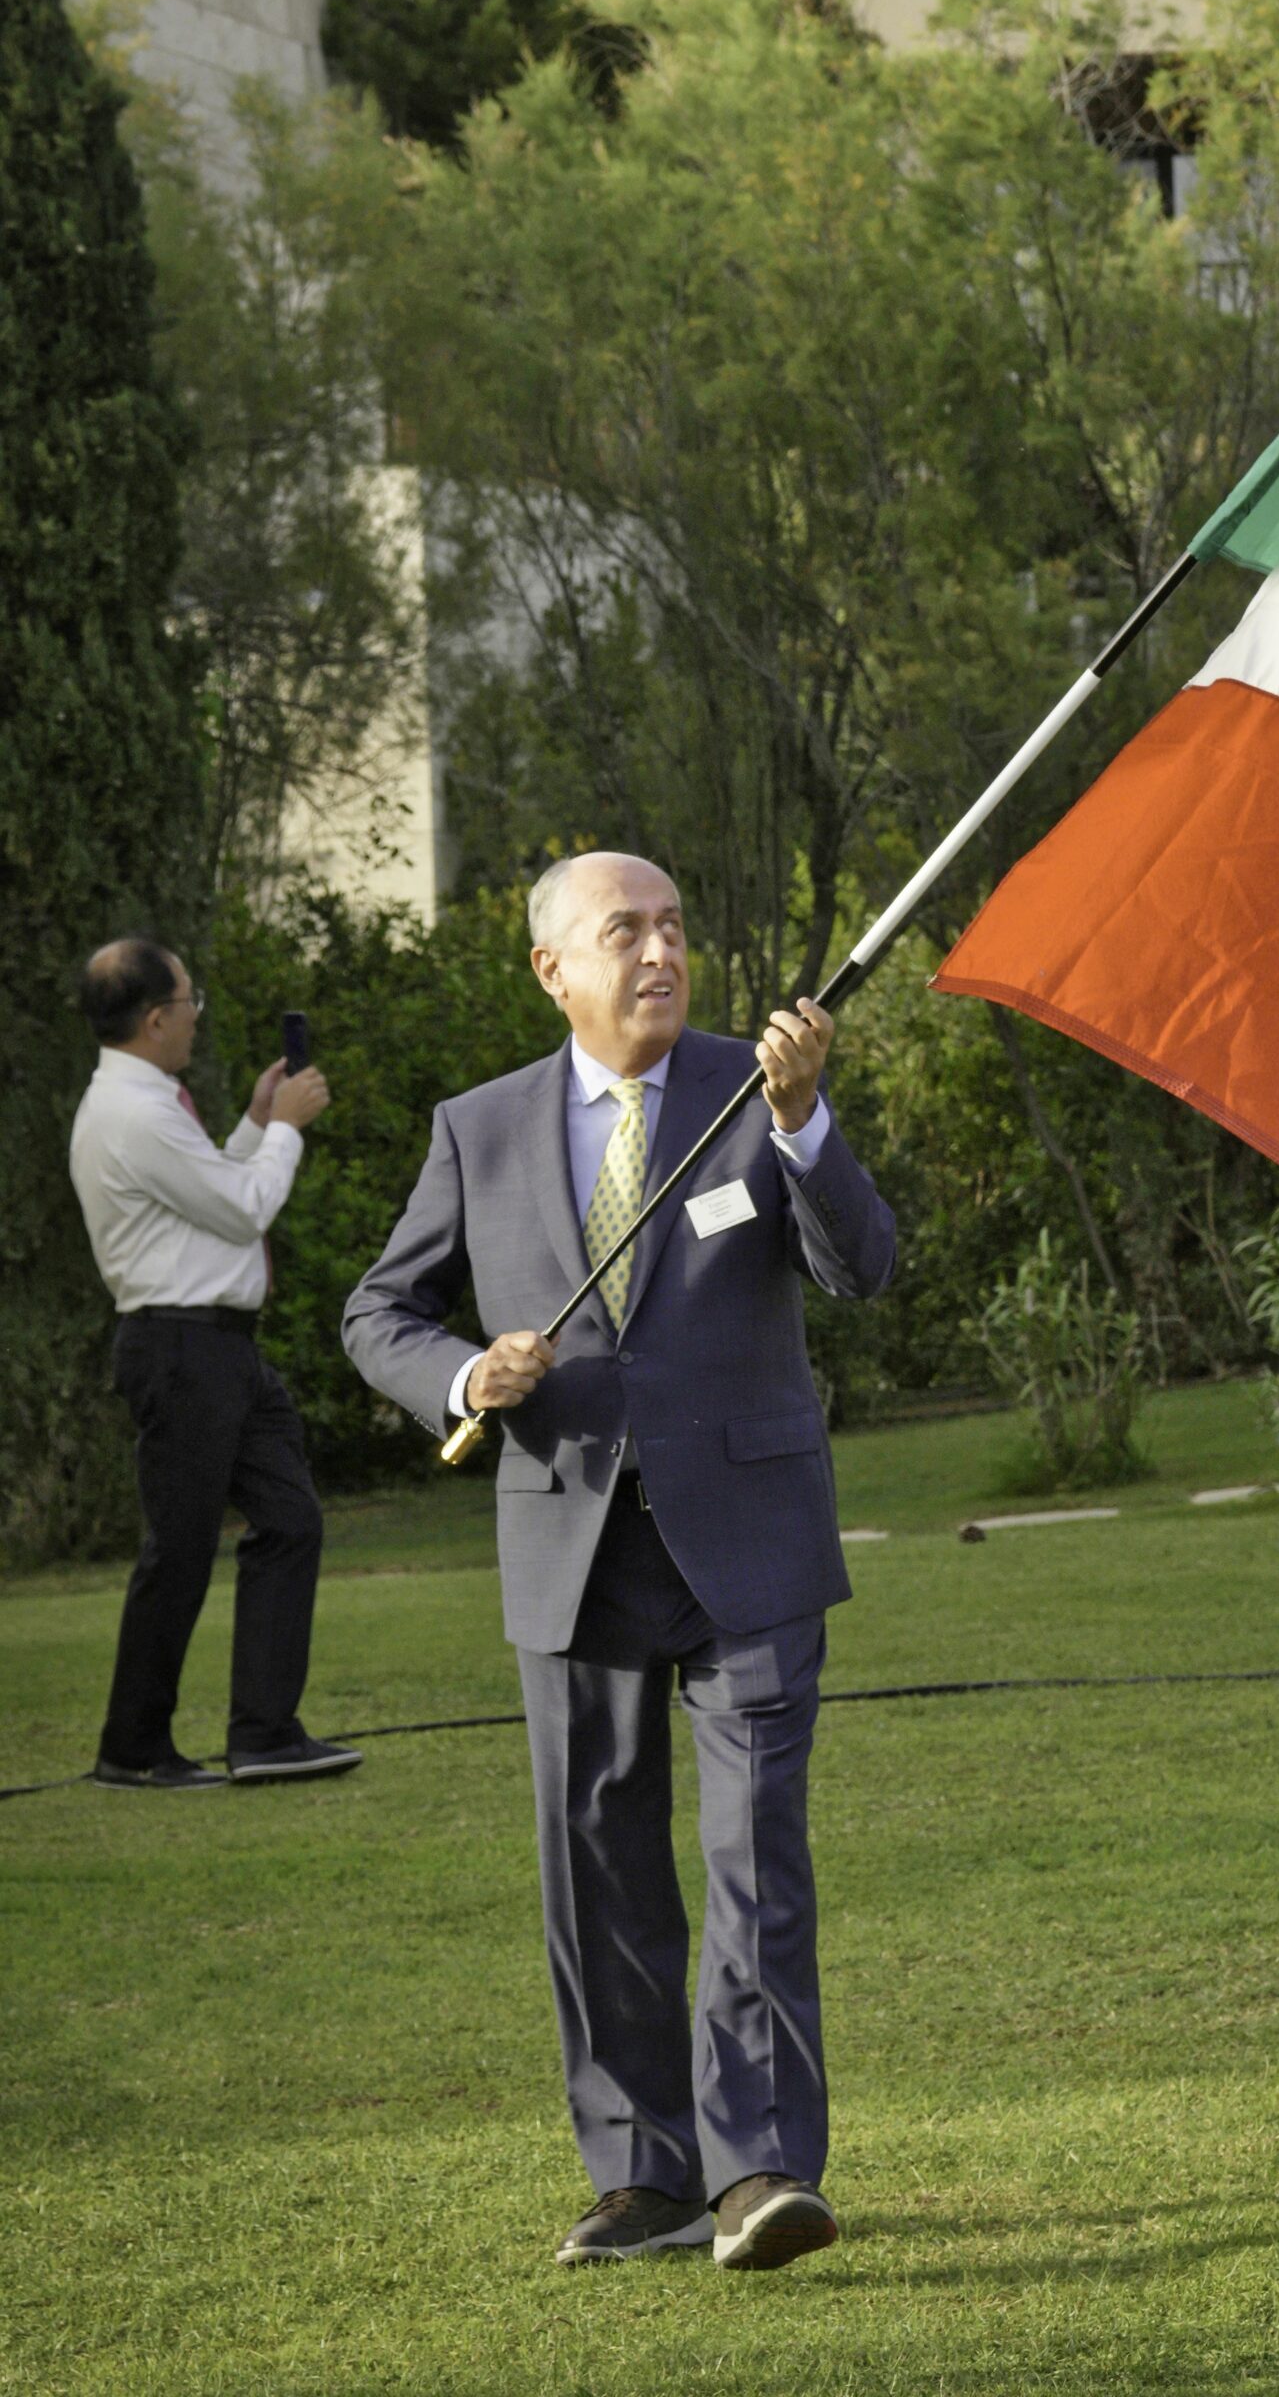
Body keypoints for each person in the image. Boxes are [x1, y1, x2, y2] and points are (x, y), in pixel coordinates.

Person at [342, 852, 895, 2274]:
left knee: (752, 1854)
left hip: (748, 1546)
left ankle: (758, 2171)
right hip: (571, 1544)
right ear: (553, 970)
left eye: (672, 928)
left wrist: (803, 1123)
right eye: (624, 932)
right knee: (597, 1866)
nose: (660, 953)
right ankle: (643, 2177)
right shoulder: (478, 1129)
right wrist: (465, 1375)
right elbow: (377, 1312)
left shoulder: (756, 1086)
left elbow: (862, 1266)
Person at [70, 938, 359, 1789]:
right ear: (155, 1018)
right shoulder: (134, 1112)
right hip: (181, 1346)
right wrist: (288, 1129)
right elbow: (245, 1207)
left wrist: (257, 1123)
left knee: (290, 1520)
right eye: (188, 1001)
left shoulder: (145, 1104)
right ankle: (133, 1748)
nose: (197, 1016)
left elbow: (210, 1195)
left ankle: (265, 1733)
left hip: (217, 1347)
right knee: (182, 1550)